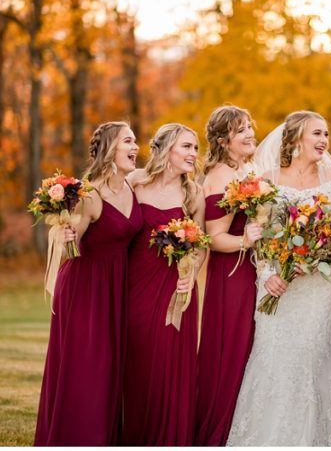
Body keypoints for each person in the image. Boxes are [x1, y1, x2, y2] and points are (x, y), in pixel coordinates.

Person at [226, 111, 331, 446]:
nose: (324, 141)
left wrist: (317, 257)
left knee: (315, 355)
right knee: (273, 355)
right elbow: (260, 231)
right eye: (317, 133)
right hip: (275, 283)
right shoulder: (268, 177)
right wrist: (268, 272)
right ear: (297, 137)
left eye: (326, 134)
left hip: (317, 285)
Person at [34, 122, 143, 445]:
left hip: (116, 289)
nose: (136, 147)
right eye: (128, 141)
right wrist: (64, 232)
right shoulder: (91, 194)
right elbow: (71, 242)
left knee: (110, 375)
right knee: (88, 372)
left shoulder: (132, 187)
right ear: (110, 148)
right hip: (86, 290)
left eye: (135, 140)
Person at [195, 105, 278, 446]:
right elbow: (215, 238)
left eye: (249, 127)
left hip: (255, 269)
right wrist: (246, 240)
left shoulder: (249, 169)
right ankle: (220, 429)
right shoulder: (218, 176)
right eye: (240, 129)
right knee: (234, 347)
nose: (249, 134)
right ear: (222, 139)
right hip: (232, 275)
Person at [121, 123, 204, 446]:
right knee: (138, 365)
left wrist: (190, 273)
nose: (193, 155)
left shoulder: (192, 192)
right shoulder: (135, 182)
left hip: (177, 289)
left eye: (195, 148)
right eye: (186, 147)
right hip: (136, 285)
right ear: (167, 148)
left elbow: (201, 243)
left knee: (171, 369)